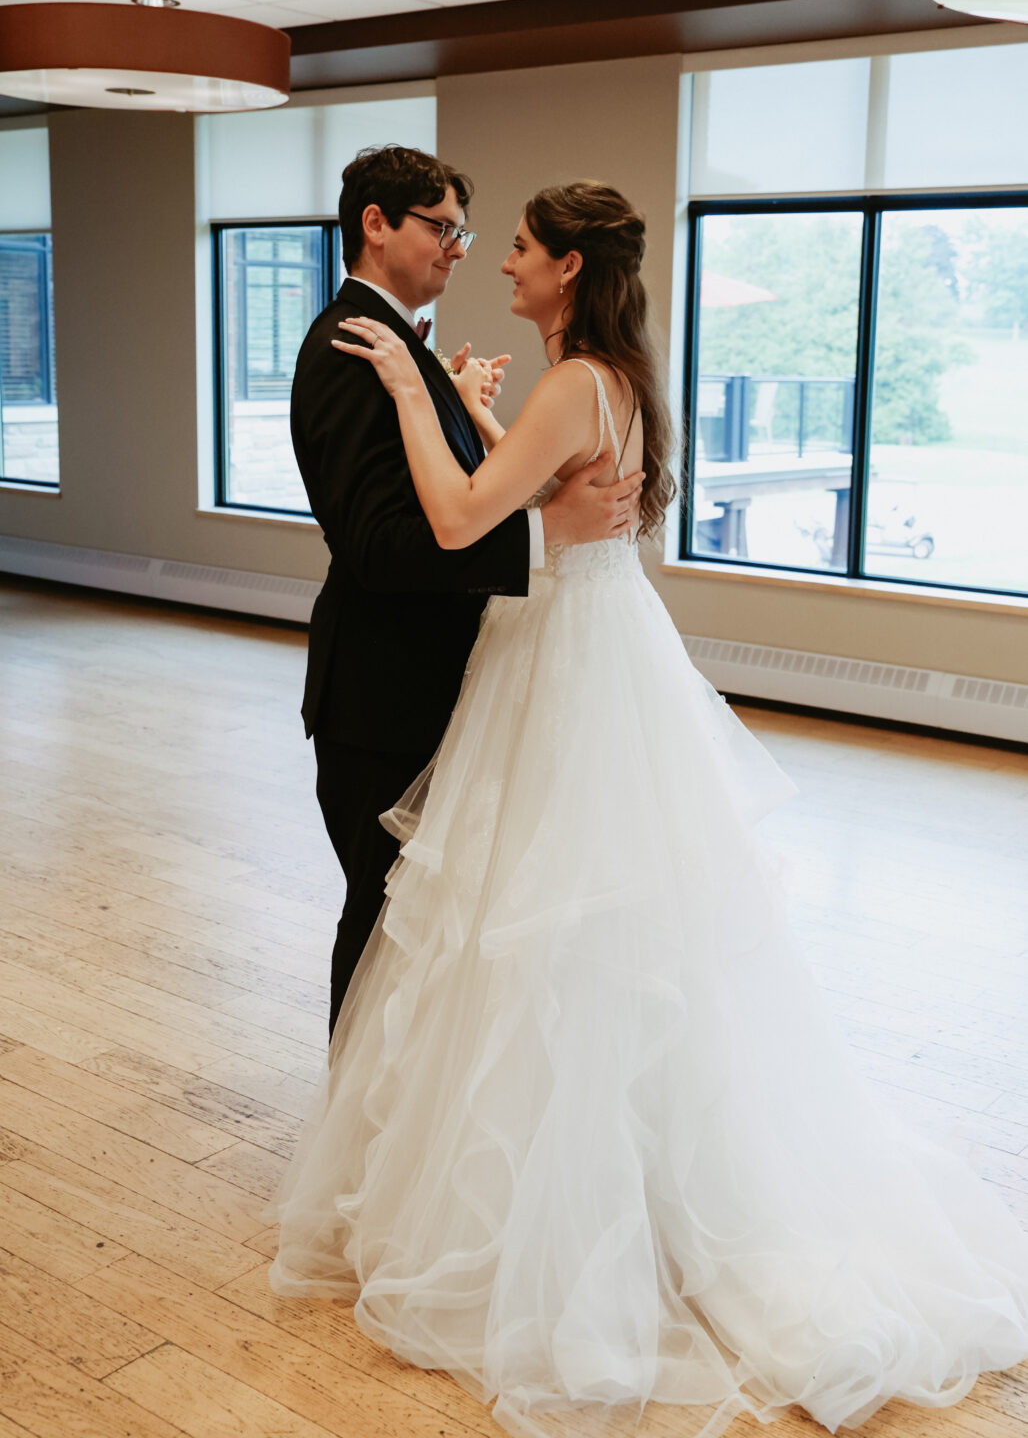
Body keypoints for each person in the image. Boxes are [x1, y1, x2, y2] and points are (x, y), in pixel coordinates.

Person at [270, 180, 1028, 1438]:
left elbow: (463, 515)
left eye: (511, 246)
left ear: (566, 268)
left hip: (556, 662)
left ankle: (554, 1203)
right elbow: (538, 493)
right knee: (599, 932)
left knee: (526, 926)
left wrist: (415, 392)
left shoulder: (573, 383)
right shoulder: (617, 375)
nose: (492, 260)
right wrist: (466, 407)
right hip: (595, 640)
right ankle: (629, 1171)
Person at [290, 146, 643, 1038]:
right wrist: (544, 530)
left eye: (472, 233)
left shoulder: (411, 351)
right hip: (383, 697)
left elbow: (476, 493)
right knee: (379, 925)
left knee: (433, 929)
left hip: (454, 686)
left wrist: (460, 411)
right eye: (442, 228)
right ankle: (355, 1130)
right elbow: (379, 548)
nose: (463, 251)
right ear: (376, 225)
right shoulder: (349, 352)